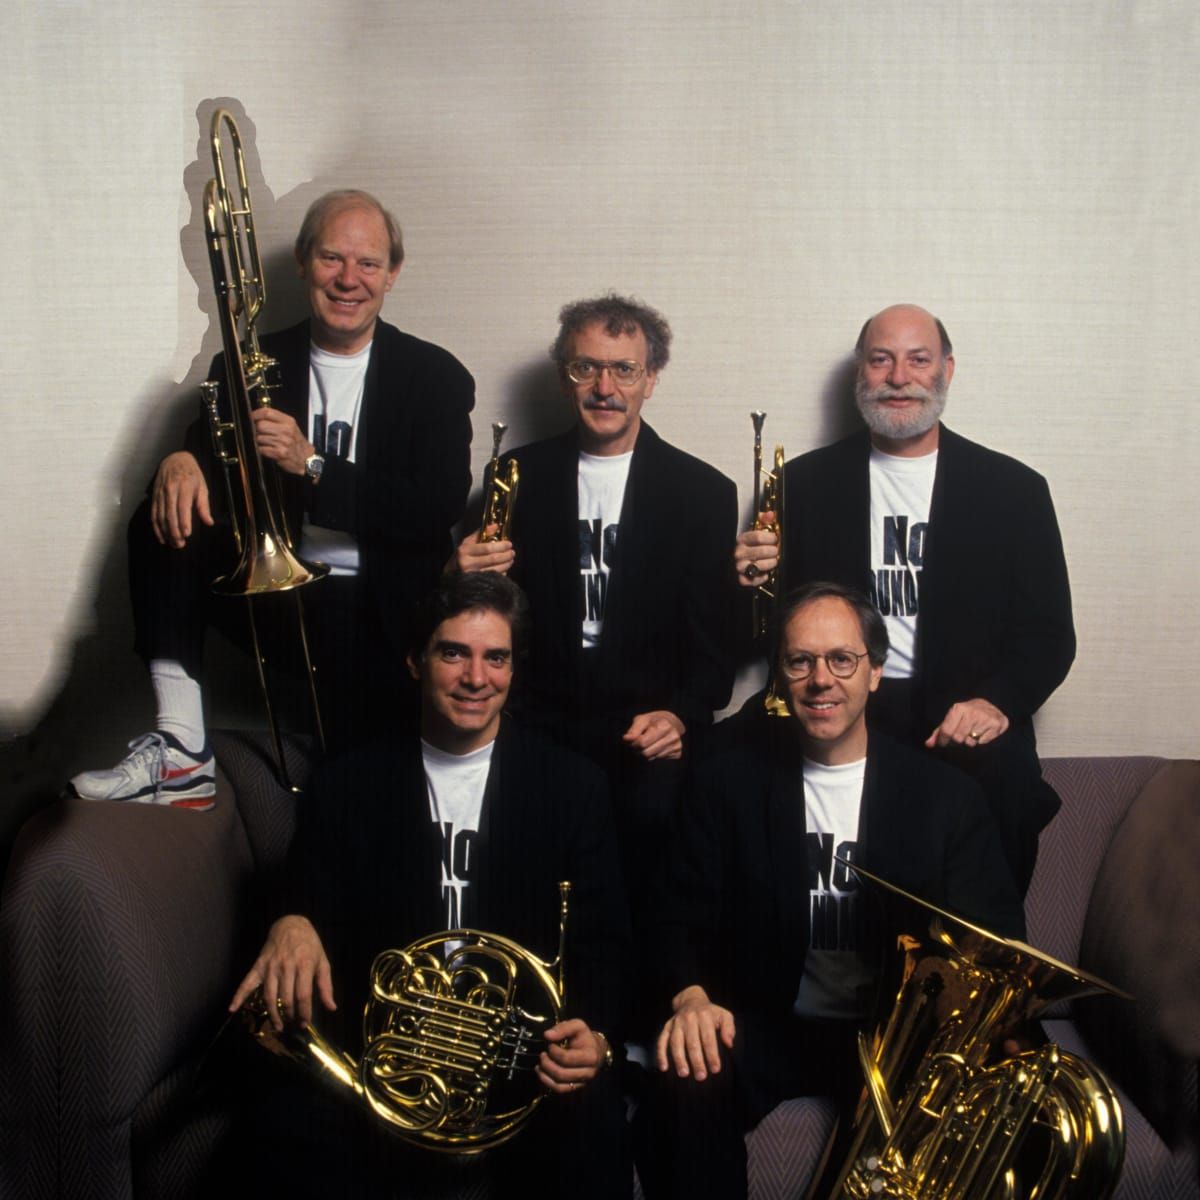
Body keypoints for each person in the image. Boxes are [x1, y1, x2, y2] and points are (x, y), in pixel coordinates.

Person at [228, 572, 631, 1196]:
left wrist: (597, 1037)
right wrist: (292, 920)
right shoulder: (349, 782)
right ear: (416, 662)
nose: (477, 678)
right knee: (278, 1136)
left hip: (518, 1060)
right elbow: (308, 885)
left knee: (592, 1139)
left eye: (495, 657)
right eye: (454, 653)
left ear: (514, 669)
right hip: (384, 1060)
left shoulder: (573, 788)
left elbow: (605, 944)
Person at [71, 189, 475, 805]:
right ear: (302, 263)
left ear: (392, 274)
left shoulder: (437, 377)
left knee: (358, 795)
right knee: (164, 509)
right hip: (280, 603)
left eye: (368, 264)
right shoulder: (247, 363)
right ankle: (180, 748)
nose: (348, 280)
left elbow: (434, 508)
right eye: (331, 259)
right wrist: (180, 460)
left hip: (382, 616)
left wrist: (311, 464)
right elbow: (208, 455)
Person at [634, 581, 1024, 1199]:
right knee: (680, 1084)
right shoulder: (725, 784)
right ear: (781, 677)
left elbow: (999, 943)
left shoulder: (945, 798)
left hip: (893, 1037)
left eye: (842, 660)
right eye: (800, 661)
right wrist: (689, 998)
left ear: (875, 672)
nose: (822, 679)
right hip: (766, 1020)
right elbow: (674, 914)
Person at [733, 304, 1074, 892]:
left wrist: (996, 703)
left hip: (961, 712)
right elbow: (762, 631)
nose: (899, 377)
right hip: (843, 703)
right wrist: (744, 583)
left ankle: (984, 974)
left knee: (1010, 793)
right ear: (860, 374)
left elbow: (1049, 637)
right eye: (881, 360)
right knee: (728, 769)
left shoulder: (1014, 491)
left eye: (918, 360)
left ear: (947, 369)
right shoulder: (803, 485)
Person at [453, 293, 738, 928]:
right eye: (586, 368)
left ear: (651, 379)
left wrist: (681, 715)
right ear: (564, 376)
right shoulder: (514, 476)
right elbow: (476, 623)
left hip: (643, 730)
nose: (604, 387)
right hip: (534, 723)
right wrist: (458, 574)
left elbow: (714, 650)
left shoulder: (703, 493)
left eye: (624, 370)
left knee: (653, 834)